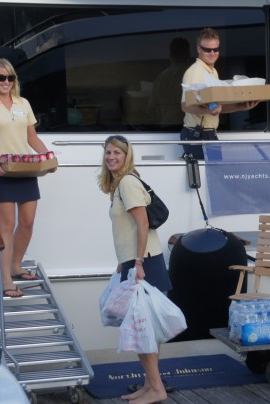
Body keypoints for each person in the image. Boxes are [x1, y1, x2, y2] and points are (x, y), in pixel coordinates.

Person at [97, 135, 173, 403]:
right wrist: (124, 260)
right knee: (144, 329)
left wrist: (138, 262)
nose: (111, 157)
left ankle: (156, 389)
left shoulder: (128, 182)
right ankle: (150, 384)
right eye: (108, 152)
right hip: (136, 261)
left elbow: (142, 225)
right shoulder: (120, 184)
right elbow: (128, 229)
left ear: (127, 155)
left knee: (142, 330)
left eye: (117, 152)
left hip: (145, 263)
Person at [0, 58, 55, 298]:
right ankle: (6, 278)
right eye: (1, 77)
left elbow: (32, 138)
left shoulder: (23, 103)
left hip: (25, 169)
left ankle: (16, 265)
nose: (6, 82)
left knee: (27, 222)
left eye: (10, 77)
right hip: (2, 170)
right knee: (6, 226)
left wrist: (48, 156)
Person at [180, 27, 259, 159]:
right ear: (199, 49)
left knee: (214, 175)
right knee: (210, 176)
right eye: (207, 49)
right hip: (198, 134)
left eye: (216, 49)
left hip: (206, 134)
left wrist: (241, 107)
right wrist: (209, 110)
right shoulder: (195, 72)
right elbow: (185, 105)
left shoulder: (212, 71)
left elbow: (216, 106)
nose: (212, 53)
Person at [147, 37, 192, 130]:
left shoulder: (161, 77)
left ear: (171, 55)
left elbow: (151, 109)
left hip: (166, 128)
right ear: (188, 54)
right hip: (189, 128)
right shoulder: (193, 75)